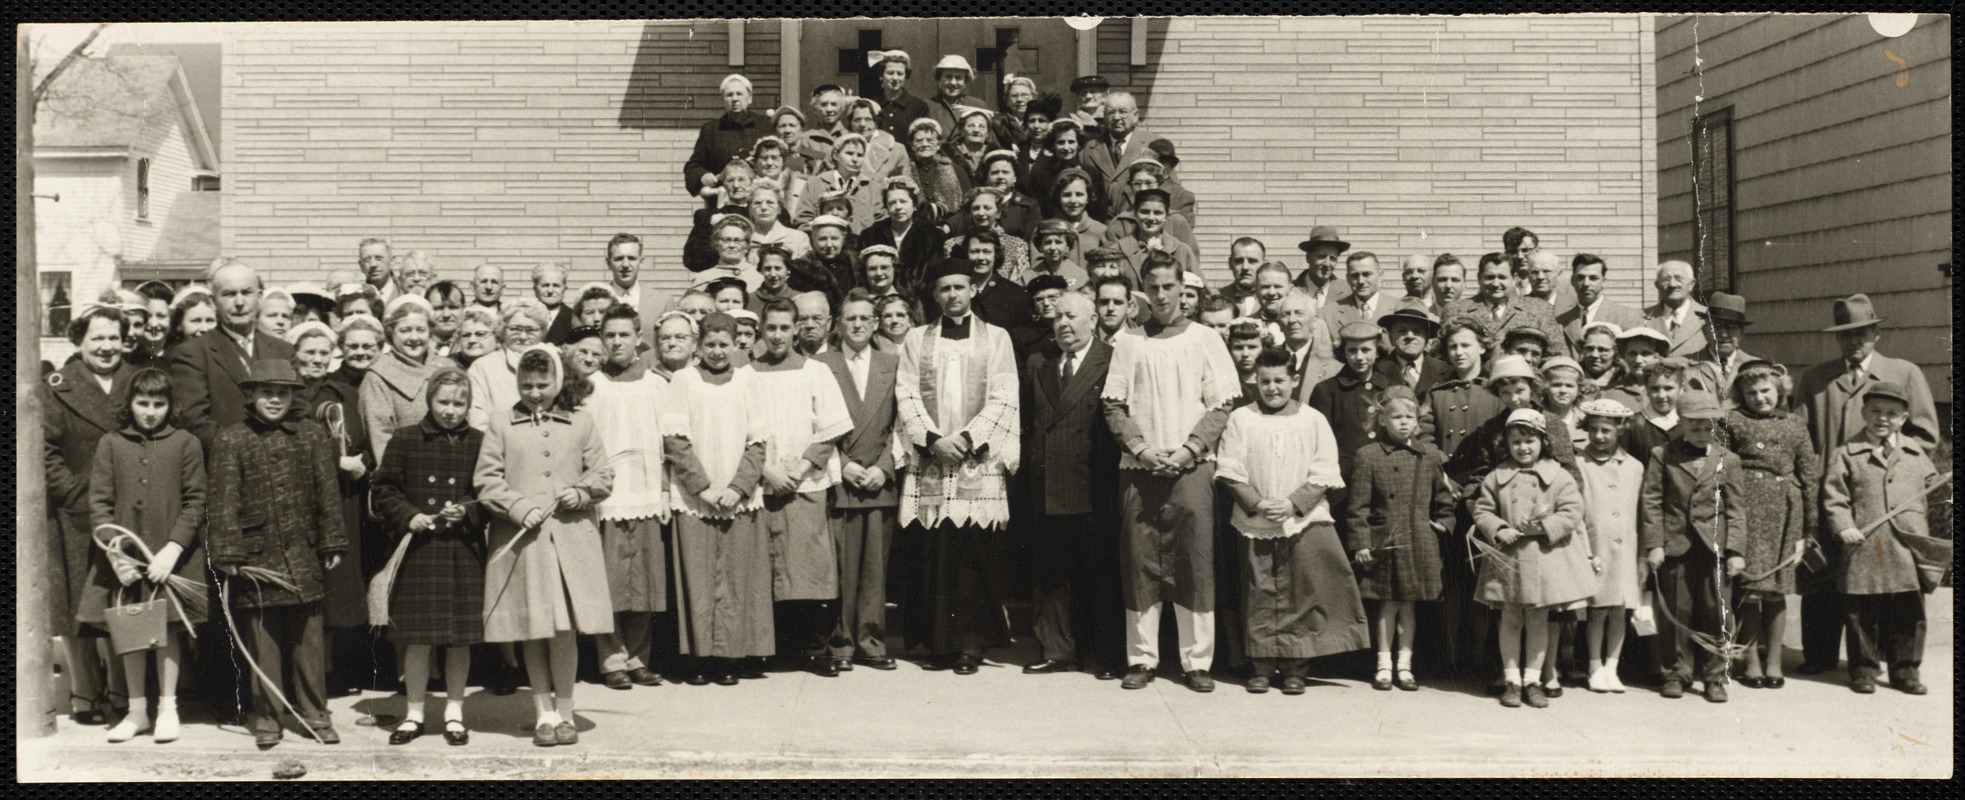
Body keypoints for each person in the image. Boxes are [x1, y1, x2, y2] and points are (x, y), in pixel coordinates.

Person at [1102, 255, 1239, 693]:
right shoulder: (1130, 341)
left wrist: (1188, 450)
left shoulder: (1204, 339)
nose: (1161, 296)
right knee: (1140, 559)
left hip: (1190, 469)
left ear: (1183, 289)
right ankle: (1141, 658)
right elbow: (1114, 404)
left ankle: (1196, 662)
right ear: (1144, 289)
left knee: (1193, 560)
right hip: (1140, 468)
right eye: (1153, 287)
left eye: (1168, 287)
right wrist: (1141, 449)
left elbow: (1221, 405)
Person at [1792, 293, 1939, 676]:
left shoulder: (1903, 373)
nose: (1855, 343)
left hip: (1884, 494)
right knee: (1825, 576)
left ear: (1877, 334)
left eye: (1863, 334)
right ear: (1837, 340)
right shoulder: (1816, 378)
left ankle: (1896, 662)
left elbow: (1925, 434)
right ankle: (1821, 655)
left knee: (1890, 579)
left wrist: (1888, 458)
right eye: (1846, 336)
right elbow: (1800, 436)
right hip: (1833, 492)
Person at [477, 346, 613, 747]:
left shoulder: (581, 422)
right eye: (526, 385)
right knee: (533, 629)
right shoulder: (501, 424)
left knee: (565, 630)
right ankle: (543, 714)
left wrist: (581, 492)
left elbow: (603, 474)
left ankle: (566, 713)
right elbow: (486, 481)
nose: (534, 392)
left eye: (543, 384)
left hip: (570, 541)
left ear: (559, 382)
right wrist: (517, 507)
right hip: (525, 544)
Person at [207, 359, 346, 748]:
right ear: (251, 395)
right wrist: (229, 553)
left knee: (309, 644)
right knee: (263, 645)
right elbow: (223, 503)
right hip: (256, 559)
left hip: (303, 552)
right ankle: (268, 717)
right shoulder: (232, 439)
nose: (274, 400)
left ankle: (316, 715)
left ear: (293, 396)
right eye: (266, 392)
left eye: (282, 392)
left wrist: (332, 540)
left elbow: (327, 494)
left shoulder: (313, 435)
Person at [893, 258, 1022, 675]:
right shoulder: (916, 338)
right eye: (944, 288)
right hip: (932, 458)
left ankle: (970, 643)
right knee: (934, 550)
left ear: (973, 290)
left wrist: (966, 439)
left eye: (960, 287)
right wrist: (932, 440)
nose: (952, 295)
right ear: (934, 294)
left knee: (972, 551)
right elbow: (906, 393)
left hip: (974, 460)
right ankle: (937, 643)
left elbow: (1004, 395)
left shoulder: (996, 338)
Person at [77, 366, 203, 744]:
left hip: (169, 558)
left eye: (159, 404)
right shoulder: (111, 444)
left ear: (170, 406)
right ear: (129, 403)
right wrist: (115, 553)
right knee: (131, 628)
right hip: (124, 559)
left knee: (165, 631)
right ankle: (136, 711)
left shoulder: (185, 442)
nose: (150, 411)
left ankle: (168, 709)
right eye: (142, 402)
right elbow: (99, 504)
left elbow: (197, 501)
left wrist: (172, 548)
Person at [371, 368, 485, 747]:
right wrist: (409, 515)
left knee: (458, 640)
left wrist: (468, 511)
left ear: (469, 404)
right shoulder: (405, 439)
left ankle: (454, 713)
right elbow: (384, 488)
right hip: (419, 550)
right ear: (429, 401)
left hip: (461, 550)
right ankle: (414, 713)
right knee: (417, 639)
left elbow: (490, 495)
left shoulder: (480, 442)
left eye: (459, 403)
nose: (451, 410)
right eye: (444, 402)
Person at [661, 313, 771, 685]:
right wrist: (704, 487)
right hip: (697, 496)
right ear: (697, 345)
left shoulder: (747, 380)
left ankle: (730, 657)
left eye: (725, 344)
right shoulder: (684, 380)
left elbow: (758, 443)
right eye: (710, 344)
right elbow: (675, 440)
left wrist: (737, 488)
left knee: (737, 579)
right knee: (700, 577)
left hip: (737, 496)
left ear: (736, 343)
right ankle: (700, 658)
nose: (718, 351)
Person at [1021, 292, 1125, 680]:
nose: (1064, 323)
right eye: (1058, 317)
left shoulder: (1111, 360)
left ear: (1093, 320)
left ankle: (1108, 656)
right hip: (1047, 481)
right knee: (1052, 576)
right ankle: (1058, 649)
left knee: (1099, 573)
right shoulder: (1039, 363)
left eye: (1072, 316)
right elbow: (1029, 425)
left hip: (1095, 484)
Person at [747, 299, 853, 675]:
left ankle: (817, 648)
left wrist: (802, 466)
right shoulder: (747, 373)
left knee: (810, 566)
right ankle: (774, 647)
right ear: (761, 329)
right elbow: (740, 429)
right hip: (765, 482)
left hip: (805, 482)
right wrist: (768, 471)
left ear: (796, 330)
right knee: (769, 567)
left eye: (784, 328)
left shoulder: (816, 372)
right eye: (770, 328)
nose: (777, 335)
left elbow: (832, 427)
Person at [44, 304, 137, 727]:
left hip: (129, 508)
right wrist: (71, 492)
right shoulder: (57, 386)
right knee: (78, 605)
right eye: (96, 338)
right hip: (75, 514)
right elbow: (44, 449)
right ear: (79, 341)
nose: (106, 346)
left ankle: (122, 689)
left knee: (124, 599)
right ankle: (84, 689)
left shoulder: (138, 381)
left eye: (114, 338)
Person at [1821, 382, 1938, 696]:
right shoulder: (1847, 453)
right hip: (1864, 545)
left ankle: (1906, 671)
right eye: (1875, 411)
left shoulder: (1915, 453)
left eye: (1892, 413)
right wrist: (1843, 525)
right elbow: (1835, 498)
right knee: (1862, 613)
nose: (1883, 418)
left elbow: (1936, 492)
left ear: (1903, 418)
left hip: (1908, 546)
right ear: (1864, 413)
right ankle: (1863, 670)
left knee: (1909, 613)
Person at [1472, 408, 1591, 709]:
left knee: (1538, 621)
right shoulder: (1497, 476)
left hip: (1544, 559)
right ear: (1507, 444)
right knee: (1510, 619)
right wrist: (1498, 528)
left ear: (1543, 442)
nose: (1523, 447)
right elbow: (1482, 510)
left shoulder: (1558, 475)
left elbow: (1573, 510)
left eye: (1529, 440)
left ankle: (1533, 680)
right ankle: (1511, 679)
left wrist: (1545, 527)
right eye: (1516, 442)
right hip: (1509, 560)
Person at [1344, 385, 1454, 692]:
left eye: (1409, 416)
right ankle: (1383, 665)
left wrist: (1444, 524)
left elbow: (1446, 499)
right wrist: (1361, 542)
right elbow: (1358, 506)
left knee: (1409, 605)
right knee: (1387, 604)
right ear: (1382, 420)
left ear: (1418, 421)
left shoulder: (1429, 456)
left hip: (1420, 541)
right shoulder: (1368, 456)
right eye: (1395, 417)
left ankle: (1405, 666)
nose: (1403, 422)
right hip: (1385, 542)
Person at [1638, 390, 1745, 703]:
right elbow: (1652, 502)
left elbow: (1737, 508)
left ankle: (1714, 675)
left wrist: (1736, 550)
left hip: (1716, 547)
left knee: (1716, 612)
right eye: (1694, 427)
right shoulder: (1663, 454)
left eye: (1708, 428)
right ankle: (1676, 672)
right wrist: (1655, 544)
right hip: (1676, 544)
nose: (1702, 434)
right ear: (1681, 423)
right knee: (1677, 609)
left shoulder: (1730, 460)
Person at [815, 290, 902, 671]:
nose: (858, 325)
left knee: (874, 568)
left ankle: (872, 641)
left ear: (876, 322)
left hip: (879, 478)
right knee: (841, 566)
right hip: (840, 477)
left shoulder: (893, 364)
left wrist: (884, 466)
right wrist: (842, 463)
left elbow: (903, 423)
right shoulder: (820, 364)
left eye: (865, 318)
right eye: (850, 318)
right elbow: (813, 422)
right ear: (838, 323)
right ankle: (841, 645)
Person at [291, 320, 378, 693]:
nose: (316, 359)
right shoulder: (288, 394)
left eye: (322, 353)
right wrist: (334, 458)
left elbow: (363, 436)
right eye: (308, 353)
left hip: (343, 497)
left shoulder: (342, 392)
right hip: (304, 496)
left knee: (342, 582)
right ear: (294, 357)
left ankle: (341, 669)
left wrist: (361, 463)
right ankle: (317, 670)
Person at [1723, 360, 1817, 691]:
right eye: (1751, 393)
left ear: (1779, 390)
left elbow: (1808, 475)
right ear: (1741, 395)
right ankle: (1750, 661)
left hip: (1784, 511)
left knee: (1776, 590)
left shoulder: (1795, 425)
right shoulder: (1732, 421)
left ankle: (1774, 660)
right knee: (1749, 589)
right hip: (1746, 508)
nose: (1760, 398)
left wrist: (1809, 528)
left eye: (1766, 391)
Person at [172, 261, 300, 452]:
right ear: (214, 302)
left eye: (246, 293)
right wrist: (248, 452)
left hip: (281, 465)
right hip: (226, 467)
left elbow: (299, 410)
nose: (239, 303)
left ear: (259, 298)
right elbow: (194, 420)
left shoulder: (283, 351)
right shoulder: (193, 353)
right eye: (229, 294)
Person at [1574, 398, 1643, 694]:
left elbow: (1639, 511)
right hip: (1594, 545)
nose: (1599, 436)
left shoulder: (1634, 466)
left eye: (1606, 430)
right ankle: (1593, 665)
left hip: (1625, 548)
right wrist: (1585, 551)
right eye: (1594, 430)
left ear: (1620, 430)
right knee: (1597, 610)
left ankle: (1612, 667)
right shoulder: (1579, 463)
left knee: (1619, 609)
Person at [362, 296, 451, 463]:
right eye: (405, 330)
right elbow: (381, 438)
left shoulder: (446, 367)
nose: (414, 337)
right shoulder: (378, 376)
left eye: (421, 330)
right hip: (406, 474)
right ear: (391, 333)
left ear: (430, 332)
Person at [1309, 321, 1389, 483]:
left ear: (1377, 352)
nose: (1359, 357)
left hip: (1385, 476)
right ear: (1343, 353)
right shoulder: (1327, 391)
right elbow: (1319, 443)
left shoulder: (1390, 388)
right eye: (1352, 350)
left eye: (1366, 350)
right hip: (1344, 478)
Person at [1443, 253, 1562, 358]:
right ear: (1479, 278)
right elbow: (1441, 356)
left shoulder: (1538, 309)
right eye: (1490, 277)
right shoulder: (1456, 310)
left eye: (1502, 277)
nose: (1495, 284)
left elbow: (1557, 354)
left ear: (1514, 279)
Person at [684, 74, 769, 200]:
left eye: (739, 94)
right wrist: (703, 175)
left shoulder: (765, 125)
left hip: (758, 200)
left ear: (749, 98)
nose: (735, 99)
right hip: (721, 200)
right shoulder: (711, 129)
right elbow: (693, 167)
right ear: (723, 100)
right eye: (729, 95)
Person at [466, 301, 548, 431]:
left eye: (531, 330)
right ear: (502, 331)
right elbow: (477, 419)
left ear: (543, 332)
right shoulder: (482, 367)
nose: (522, 337)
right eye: (515, 329)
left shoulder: (558, 363)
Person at [860, 178, 942, 298]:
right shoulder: (871, 235)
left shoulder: (931, 234)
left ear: (914, 205)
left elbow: (933, 275)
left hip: (922, 300)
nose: (898, 207)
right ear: (886, 207)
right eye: (892, 203)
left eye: (903, 201)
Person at [1081, 91, 1157, 214]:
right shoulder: (1089, 148)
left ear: (1136, 115)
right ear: (1104, 116)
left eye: (1122, 112)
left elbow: (1170, 187)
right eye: (1111, 112)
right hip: (1101, 223)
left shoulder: (1152, 144)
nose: (1116, 118)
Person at [1556, 254, 1645, 359]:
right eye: (1580, 277)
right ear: (1572, 281)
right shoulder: (1558, 321)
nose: (1586, 283)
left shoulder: (1628, 317)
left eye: (1593, 278)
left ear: (1604, 282)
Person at [1683, 292, 1761, 401]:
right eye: (1717, 327)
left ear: (1742, 334)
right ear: (1705, 331)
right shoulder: (1686, 365)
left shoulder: (1757, 367)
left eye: (1732, 327)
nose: (1724, 334)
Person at [1372, 305, 1449, 396]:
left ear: (1427, 337)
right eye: (1402, 331)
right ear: (1391, 337)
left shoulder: (1447, 372)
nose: (1410, 336)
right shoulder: (1375, 371)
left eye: (1417, 331)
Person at [1622, 356, 1685, 468]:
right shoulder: (1632, 424)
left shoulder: (1690, 422)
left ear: (1681, 389)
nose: (1661, 396)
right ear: (1646, 389)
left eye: (1668, 388)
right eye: (1654, 389)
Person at [901, 119, 968, 222]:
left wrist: (949, 226)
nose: (924, 144)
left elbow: (967, 208)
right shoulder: (901, 173)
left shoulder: (957, 171)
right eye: (919, 140)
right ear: (912, 145)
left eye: (930, 140)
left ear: (938, 144)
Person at [1639, 261, 1709, 359]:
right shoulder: (1641, 317)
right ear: (1657, 285)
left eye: (1678, 279)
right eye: (1666, 279)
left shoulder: (1708, 317)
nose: (1672, 284)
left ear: (1691, 284)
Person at [789, 216, 858, 307]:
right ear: (813, 240)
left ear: (843, 240)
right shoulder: (801, 269)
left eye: (834, 238)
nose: (829, 245)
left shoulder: (854, 265)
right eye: (822, 239)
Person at [923, 56, 990, 147]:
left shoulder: (978, 105)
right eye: (948, 77)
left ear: (965, 81)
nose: (953, 83)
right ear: (939, 79)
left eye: (958, 78)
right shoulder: (927, 106)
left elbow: (988, 140)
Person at [869, 49, 929, 142]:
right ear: (881, 75)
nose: (895, 78)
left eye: (900, 74)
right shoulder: (871, 105)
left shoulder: (918, 106)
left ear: (906, 77)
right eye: (890, 73)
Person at [1326, 252, 1388, 335]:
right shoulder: (1327, 314)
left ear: (1380, 275)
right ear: (1348, 279)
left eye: (1366, 274)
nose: (1361, 281)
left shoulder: (1397, 308)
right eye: (1355, 276)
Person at [1293, 226, 1350, 311]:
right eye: (1321, 257)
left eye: (1332, 258)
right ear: (1308, 257)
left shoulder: (1348, 293)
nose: (1327, 264)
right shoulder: (1291, 290)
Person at [1518, 250, 1578, 319]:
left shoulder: (1574, 307)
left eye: (1546, 271)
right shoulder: (1518, 307)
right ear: (1528, 275)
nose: (1540, 277)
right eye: (1535, 272)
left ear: (1559, 274)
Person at [528, 262, 574, 345]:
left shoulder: (573, 318)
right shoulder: (525, 315)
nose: (550, 291)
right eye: (545, 285)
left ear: (564, 289)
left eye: (556, 285)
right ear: (535, 289)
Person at [1220, 238, 1266, 317]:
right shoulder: (1218, 297)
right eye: (1239, 261)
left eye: (1252, 261)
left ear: (1264, 265)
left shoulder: (1274, 297)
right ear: (1230, 264)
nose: (1245, 267)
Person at [359, 238, 402, 304]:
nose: (373, 264)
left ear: (392, 261)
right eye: (367, 260)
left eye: (378, 258)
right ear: (361, 266)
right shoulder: (357, 298)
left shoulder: (405, 294)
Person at [1428, 254, 1466, 323]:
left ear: (1464, 284)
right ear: (1432, 283)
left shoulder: (1475, 319)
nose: (1448, 286)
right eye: (1442, 279)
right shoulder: (1423, 317)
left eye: (1455, 280)